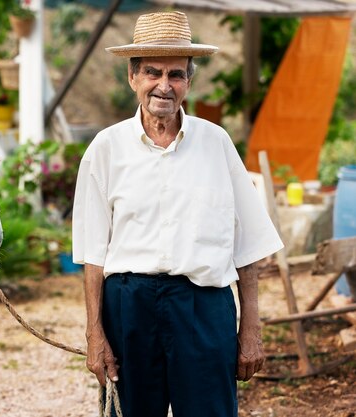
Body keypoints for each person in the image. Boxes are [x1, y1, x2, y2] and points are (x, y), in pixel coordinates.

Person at [72, 11, 284, 417]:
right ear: (132, 77)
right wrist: (95, 334)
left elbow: (248, 245)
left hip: (203, 308)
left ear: (189, 81)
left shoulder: (216, 143)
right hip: (128, 307)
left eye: (176, 74)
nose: (164, 86)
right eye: (152, 72)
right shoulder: (106, 148)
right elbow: (93, 255)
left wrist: (251, 329)